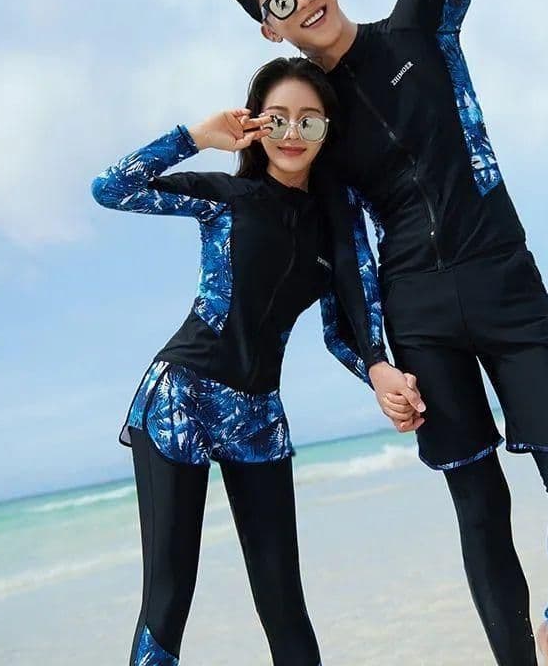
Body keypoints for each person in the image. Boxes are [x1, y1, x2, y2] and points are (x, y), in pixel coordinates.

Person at [229, 0, 548, 666]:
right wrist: (372, 362)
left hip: (507, 284)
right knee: (480, 509)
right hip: (420, 319)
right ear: (270, 29)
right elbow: (344, 257)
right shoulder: (310, 125)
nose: (302, 0)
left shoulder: (420, 24)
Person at [91, 56, 419, 666]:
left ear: (327, 130)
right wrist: (195, 137)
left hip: (258, 417)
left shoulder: (336, 224)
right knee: (169, 595)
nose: (293, 133)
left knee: (283, 601)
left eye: (309, 121)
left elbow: (347, 328)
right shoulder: (226, 197)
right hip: (180, 399)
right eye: (278, 118)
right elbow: (110, 189)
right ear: (256, 123)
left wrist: (379, 372)